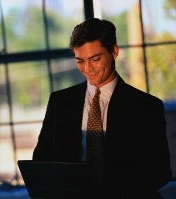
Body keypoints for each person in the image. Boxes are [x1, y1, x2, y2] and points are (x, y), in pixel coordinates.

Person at [32, 18, 171, 198]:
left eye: (95, 59)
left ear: (114, 51)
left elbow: (160, 171)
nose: (88, 69)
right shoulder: (60, 102)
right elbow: (42, 161)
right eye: (80, 61)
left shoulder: (146, 107)